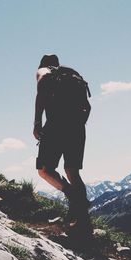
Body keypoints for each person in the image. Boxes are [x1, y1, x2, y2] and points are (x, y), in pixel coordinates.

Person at [33, 54, 92, 237]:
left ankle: (71, 195)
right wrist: (78, 124)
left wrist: (37, 123)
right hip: (77, 127)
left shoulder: (44, 71)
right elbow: (88, 107)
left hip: (55, 125)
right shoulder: (73, 75)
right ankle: (82, 222)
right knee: (72, 171)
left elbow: (41, 89)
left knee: (44, 170)